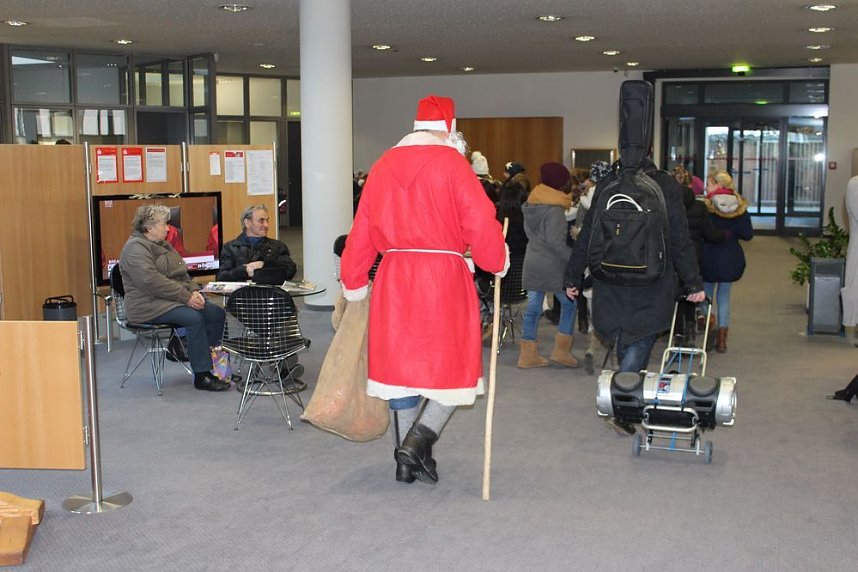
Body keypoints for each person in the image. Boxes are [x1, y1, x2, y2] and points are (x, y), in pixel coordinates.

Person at [340, 94, 508, 486]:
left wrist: (354, 281)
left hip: (394, 278)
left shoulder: (382, 165)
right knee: (454, 368)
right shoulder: (453, 164)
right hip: (442, 279)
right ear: (449, 129)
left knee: (399, 371)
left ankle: (405, 461)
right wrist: (496, 259)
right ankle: (416, 442)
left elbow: (361, 228)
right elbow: (480, 222)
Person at [565, 157, 705, 374]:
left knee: (622, 333)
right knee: (642, 334)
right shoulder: (665, 185)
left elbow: (587, 236)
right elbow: (679, 238)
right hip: (653, 278)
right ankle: (625, 386)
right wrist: (693, 282)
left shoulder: (607, 185)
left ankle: (625, 385)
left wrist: (572, 276)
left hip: (610, 275)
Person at [119, 204, 229, 391]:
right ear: (149, 227)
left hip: (171, 299)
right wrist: (186, 297)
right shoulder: (134, 249)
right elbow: (151, 282)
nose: (168, 228)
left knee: (216, 313)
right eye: (164, 224)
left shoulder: (164, 245)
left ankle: (212, 363)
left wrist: (195, 291)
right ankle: (202, 375)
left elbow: (182, 273)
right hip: (146, 305)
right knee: (194, 318)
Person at [519, 162, 579, 368]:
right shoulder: (554, 209)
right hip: (552, 265)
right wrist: (573, 257)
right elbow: (555, 242)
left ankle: (527, 355)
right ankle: (561, 352)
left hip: (533, 260)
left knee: (533, 308)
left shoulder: (532, 203)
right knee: (570, 305)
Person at [701, 170, 754, 353]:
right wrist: (731, 233)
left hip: (708, 256)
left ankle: (710, 328)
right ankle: (722, 339)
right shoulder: (740, 207)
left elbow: (703, 232)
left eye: (709, 183)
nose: (706, 187)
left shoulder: (706, 206)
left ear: (718, 185)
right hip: (730, 257)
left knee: (705, 296)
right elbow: (748, 235)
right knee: (724, 298)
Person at [216, 204, 297, 282]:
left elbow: (290, 270)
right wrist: (245, 270)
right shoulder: (230, 248)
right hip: (242, 295)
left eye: (267, 220)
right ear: (247, 223)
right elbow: (221, 277)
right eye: (261, 221)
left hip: (270, 294)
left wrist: (264, 265)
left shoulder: (278, 246)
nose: (266, 225)